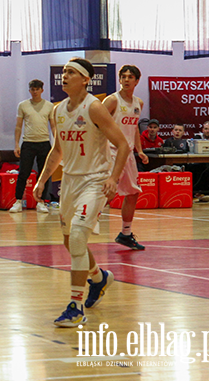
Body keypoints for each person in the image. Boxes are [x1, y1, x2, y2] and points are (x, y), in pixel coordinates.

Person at [32, 58, 129, 328]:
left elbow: (122, 145)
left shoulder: (94, 108)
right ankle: (98, 278)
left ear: (85, 79)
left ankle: (75, 306)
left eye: (71, 72)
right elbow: (58, 150)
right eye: (63, 72)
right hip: (71, 183)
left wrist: (113, 177)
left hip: (95, 181)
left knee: (76, 238)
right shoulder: (57, 110)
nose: (64, 76)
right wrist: (42, 181)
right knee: (69, 242)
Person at [102, 65, 150, 251]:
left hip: (128, 153)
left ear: (137, 81)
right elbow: (97, 125)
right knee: (106, 193)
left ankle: (126, 234)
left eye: (131, 77)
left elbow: (135, 129)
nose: (127, 79)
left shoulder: (139, 103)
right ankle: (81, 226)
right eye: (124, 76)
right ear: (119, 79)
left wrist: (140, 150)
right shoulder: (112, 101)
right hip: (112, 151)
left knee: (132, 193)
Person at [10, 79, 53, 214]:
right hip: (28, 143)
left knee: (44, 173)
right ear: (30, 90)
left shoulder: (49, 106)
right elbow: (18, 126)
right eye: (32, 89)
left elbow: (53, 126)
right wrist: (16, 144)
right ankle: (18, 201)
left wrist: (57, 142)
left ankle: (41, 202)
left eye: (37, 89)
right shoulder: (23, 105)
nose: (35, 92)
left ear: (42, 90)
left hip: (44, 143)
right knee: (24, 173)